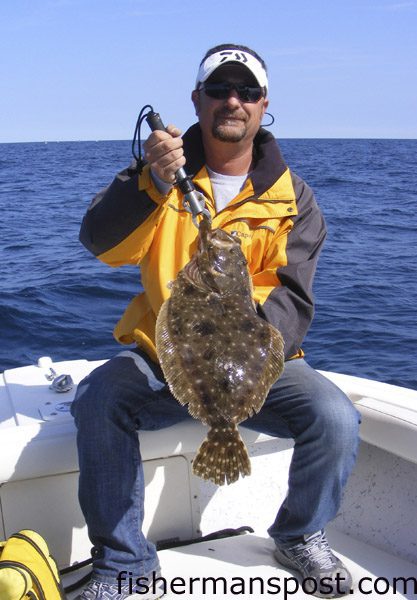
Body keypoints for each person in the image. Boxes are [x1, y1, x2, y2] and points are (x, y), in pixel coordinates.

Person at [71, 43, 361, 600]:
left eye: (247, 92)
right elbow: (99, 243)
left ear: (263, 104)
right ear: (197, 101)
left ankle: (300, 534)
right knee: (98, 398)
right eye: (220, 90)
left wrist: (244, 354)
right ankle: (124, 563)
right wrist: (151, 184)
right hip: (164, 353)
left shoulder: (293, 198)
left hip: (257, 357)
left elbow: (294, 297)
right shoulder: (159, 177)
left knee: (336, 419)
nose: (234, 101)